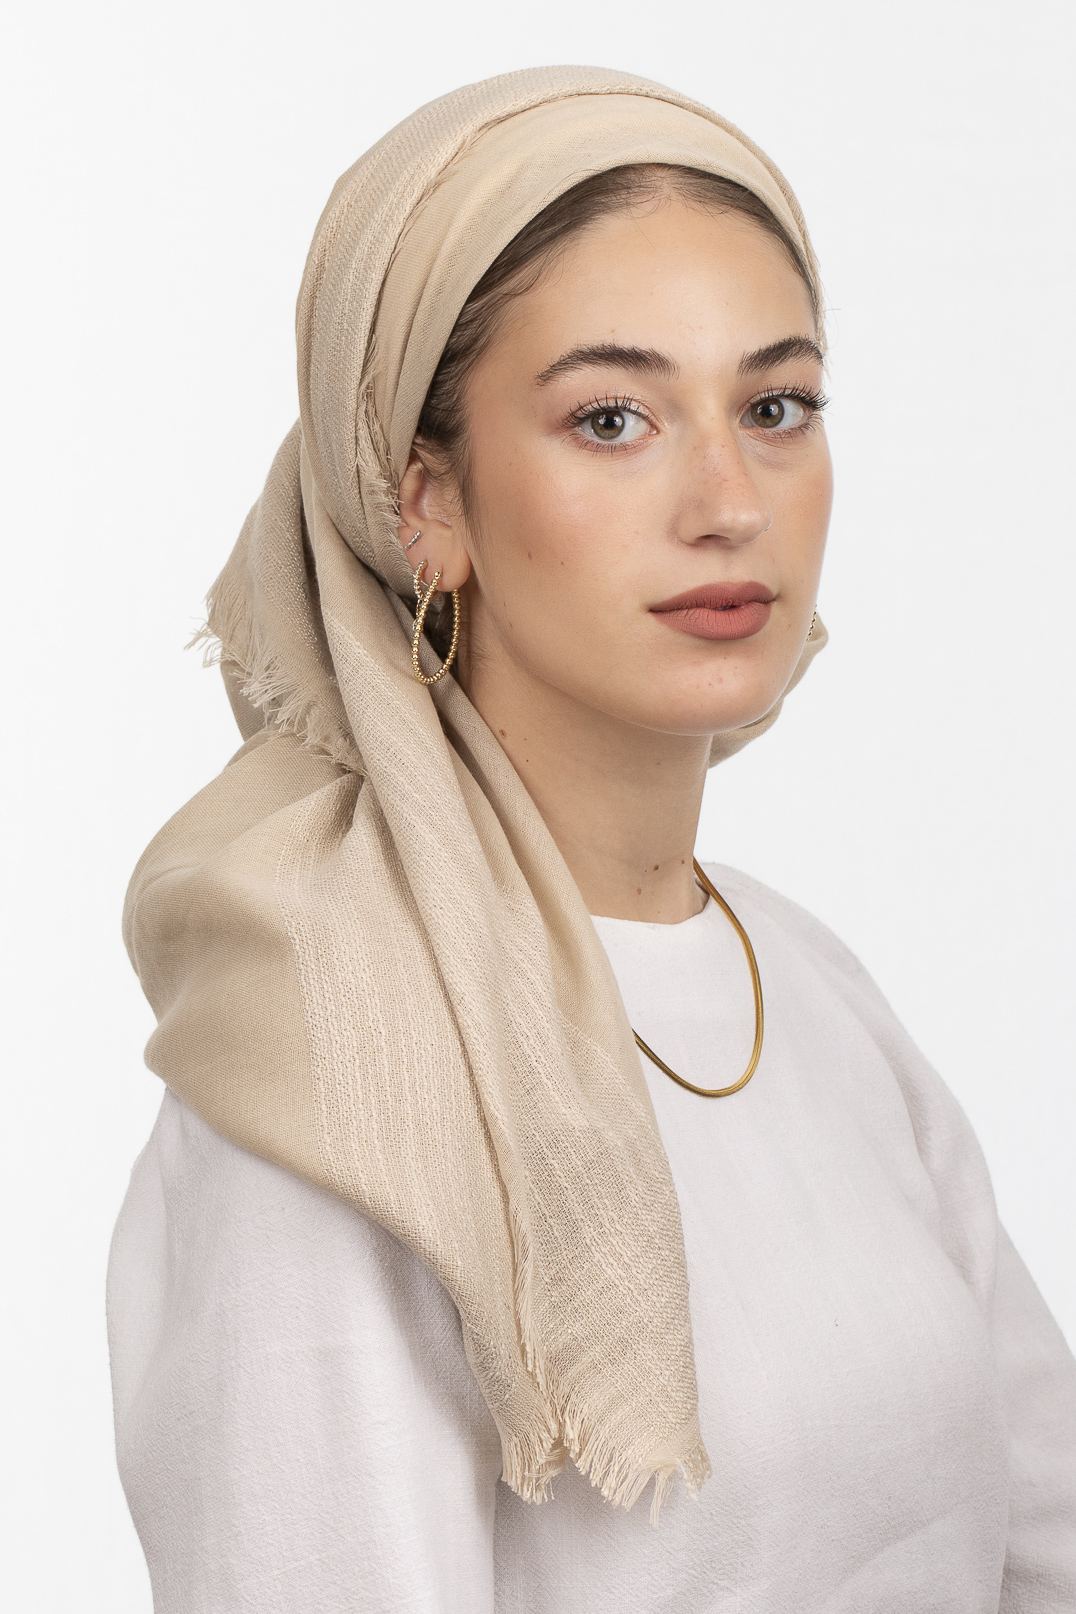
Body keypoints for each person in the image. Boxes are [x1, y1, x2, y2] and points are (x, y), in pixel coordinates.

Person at [109, 65, 1076, 1613]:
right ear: (425, 502)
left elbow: (1042, 1536)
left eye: (775, 406)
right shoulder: (331, 1067)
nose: (728, 499)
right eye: (612, 418)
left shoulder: (803, 979)